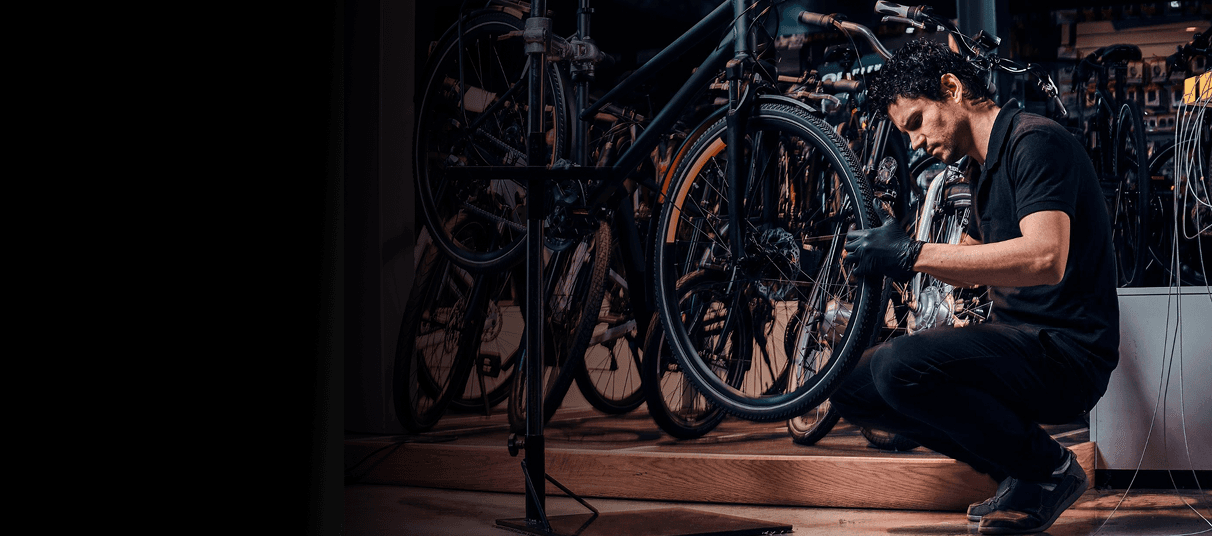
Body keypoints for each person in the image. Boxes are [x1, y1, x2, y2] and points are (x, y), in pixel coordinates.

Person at [836, 38, 1120, 535]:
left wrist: (910, 253)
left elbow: (1045, 257)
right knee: (849, 387)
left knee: (899, 366)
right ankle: (1021, 472)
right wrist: (889, 257)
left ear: (952, 88)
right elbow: (969, 260)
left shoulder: (1034, 142)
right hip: (1018, 342)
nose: (916, 143)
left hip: (1067, 354)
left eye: (917, 122)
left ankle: (1049, 469)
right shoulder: (978, 168)